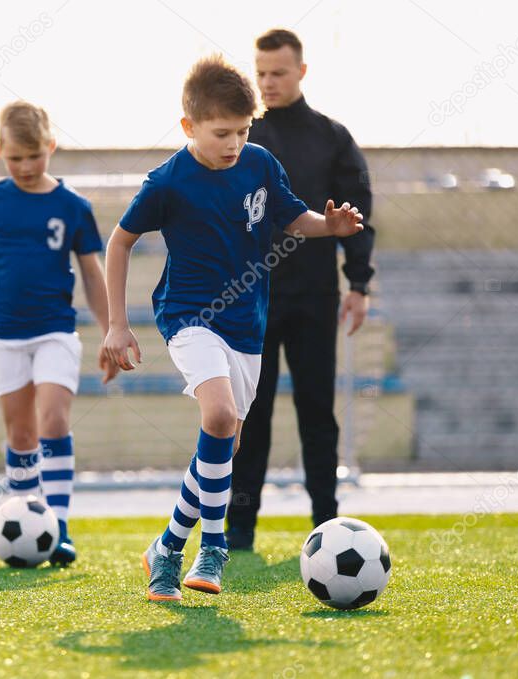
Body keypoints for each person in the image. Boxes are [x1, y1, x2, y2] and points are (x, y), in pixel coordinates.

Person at [103, 55, 363, 601]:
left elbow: (295, 217)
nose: (235, 143)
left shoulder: (261, 163)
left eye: (243, 130)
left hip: (248, 325)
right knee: (219, 416)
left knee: (227, 440)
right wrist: (117, 325)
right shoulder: (168, 181)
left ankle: (166, 545)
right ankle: (210, 548)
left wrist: (329, 226)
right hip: (189, 317)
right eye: (222, 133)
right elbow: (119, 242)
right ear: (188, 127)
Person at [227, 28, 377, 550]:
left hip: (315, 297)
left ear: (301, 72)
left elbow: (360, 215)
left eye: (278, 73)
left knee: (317, 411)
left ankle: (328, 525)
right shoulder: (239, 137)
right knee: (252, 413)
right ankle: (239, 531)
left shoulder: (332, 137)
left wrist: (358, 283)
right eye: (260, 73)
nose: (267, 83)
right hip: (250, 299)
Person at [0, 101, 115, 566]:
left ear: (51, 147)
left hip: (55, 331)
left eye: (34, 157)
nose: (24, 167)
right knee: (20, 434)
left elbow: (92, 272)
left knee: (54, 422)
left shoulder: (73, 206)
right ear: (0, 151)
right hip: (3, 334)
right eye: (14, 158)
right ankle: (25, 524)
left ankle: (58, 527)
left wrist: (109, 332)